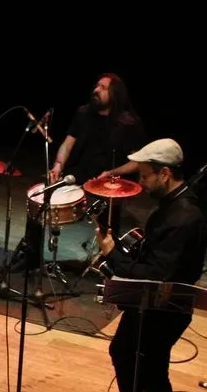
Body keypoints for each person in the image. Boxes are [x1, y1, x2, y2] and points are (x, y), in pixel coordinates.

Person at [90, 138, 207, 392]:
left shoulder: (184, 218)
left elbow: (154, 277)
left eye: (144, 175)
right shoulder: (173, 206)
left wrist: (111, 252)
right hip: (151, 303)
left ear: (165, 173)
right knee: (123, 352)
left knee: (153, 375)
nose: (140, 182)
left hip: (164, 309)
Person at [10, 73, 146, 272]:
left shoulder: (128, 123)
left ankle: (111, 263)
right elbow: (67, 144)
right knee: (39, 197)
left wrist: (111, 172)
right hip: (80, 173)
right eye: (96, 86)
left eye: (102, 87)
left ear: (115, 94)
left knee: (109, 221)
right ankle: (31, 255)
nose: (96, 90)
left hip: (109, 180)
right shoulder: (84, 113)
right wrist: (57, 165)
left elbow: (137, 162)